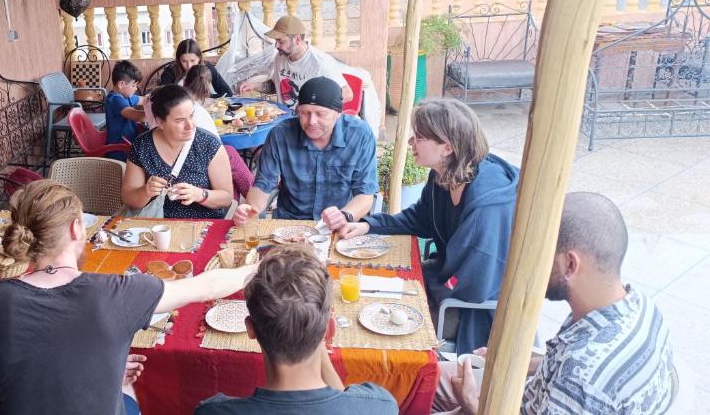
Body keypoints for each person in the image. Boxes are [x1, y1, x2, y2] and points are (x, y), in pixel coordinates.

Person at [0, 180, 260, 415]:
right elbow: (207, 286)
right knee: (127, 388)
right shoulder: (115, 294)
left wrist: (102, 365)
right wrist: (259, 266)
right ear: (77, 227)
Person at [434, 192, 676, 414]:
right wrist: (520, 361)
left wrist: (471, 404)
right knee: (428, 375)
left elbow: (577, 379)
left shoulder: (580, 378)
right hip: (529, 395)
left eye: (541, 256)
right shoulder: (639, 305)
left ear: (570, 264)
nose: (531, 266)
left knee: (416, 384)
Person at [338, 98, 517, 355]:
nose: (411, 142)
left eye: (419, 137)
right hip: (445, 282)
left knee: (379, 319)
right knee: (375, 284)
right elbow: (420, 219)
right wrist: (369, 225)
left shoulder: (485, 207)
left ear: (446, 147)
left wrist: (419, 285)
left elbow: (473, 286)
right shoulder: (444, 175)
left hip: (473, 310)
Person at [195, 245, 398, 415]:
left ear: (250, 329)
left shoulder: (212, 411)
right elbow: (344, 401)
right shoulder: (380, 406)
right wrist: (319, 338)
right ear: (330, 330)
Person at [233, 77, 378, 228]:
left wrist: (345, 215)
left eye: (320, 114)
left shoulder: (359, 134)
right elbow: (263, 184)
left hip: (338, 223)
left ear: (338, 114)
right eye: (305, 113)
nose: (311, 121)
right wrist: (249, 209)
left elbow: (365, 193)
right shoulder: (280, 134)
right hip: (290, 223)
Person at [122, 84, 233, 219]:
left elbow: (227, 197)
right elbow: (129, 199)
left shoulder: (208, 144)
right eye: (180, 120)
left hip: (201, 227)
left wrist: (199, 194)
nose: (190, 125)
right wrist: (146, 192)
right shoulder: (142, 145)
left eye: (191, 116)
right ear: (160, 122)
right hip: (156, 227)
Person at [237, 15, 352, 107]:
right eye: (276, 40)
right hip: (285, 119)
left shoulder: (321, 63)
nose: (276, 45)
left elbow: (347, 94)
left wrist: (311, 106)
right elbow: (276, 86)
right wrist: (255, 85)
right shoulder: (280, 57)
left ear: (297, 39)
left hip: (308, 123)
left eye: (281, 41)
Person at [105, 60, 148, 161]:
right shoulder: (115, 99)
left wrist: (151, 99)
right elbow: (134, 115)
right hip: (119, 149)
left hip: (129, 141)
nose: (136, 89)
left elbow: (142, 99)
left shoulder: (126, 96)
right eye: (133, 85)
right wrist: (154, 112)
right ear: (121, 84)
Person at [160, 38, 234, 97]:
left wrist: (205, 97)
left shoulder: (207, 68)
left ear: (199, 58)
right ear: (178, 60)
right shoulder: (169, 72)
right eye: (184, 61)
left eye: (192, 60)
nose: (189, 66)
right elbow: (165, 97)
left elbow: (227, 93)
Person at [182, 64, 222, 138]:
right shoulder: (200, 112)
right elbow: (216, 142)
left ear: (184, 82)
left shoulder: (176, 105)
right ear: (208, 85)